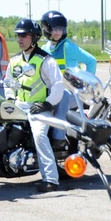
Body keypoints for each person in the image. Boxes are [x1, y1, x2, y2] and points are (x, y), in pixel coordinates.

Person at [8, 18, 66, 192]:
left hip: (39, 107)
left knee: (39, 135)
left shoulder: (46, 60)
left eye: (24, 36)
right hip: (18, 105)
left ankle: (51, 179)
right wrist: (10, 99)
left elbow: (58, 85)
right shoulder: (14, 61)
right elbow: (8, 83)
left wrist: (47, 104)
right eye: (18, 35)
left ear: (33, 37)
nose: (19, 39)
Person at [39, 10, 97, 142]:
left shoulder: (68, 47)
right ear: (46, 29)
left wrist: (85, 87)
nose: (57, 32)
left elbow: (91, 61)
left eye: (60, 28)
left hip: (71, 93)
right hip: (52, 90)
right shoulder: (45, 48)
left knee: (62, 95)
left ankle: (58, 137)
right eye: (54, 28)